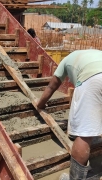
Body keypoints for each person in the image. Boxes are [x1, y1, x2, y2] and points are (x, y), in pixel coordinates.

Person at [37, 49, 102, 180]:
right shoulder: (94, 53)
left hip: (93, 78)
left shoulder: (66, 60)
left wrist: (40, 105)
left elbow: (51, 86)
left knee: (85, 134)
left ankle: (75, 178)